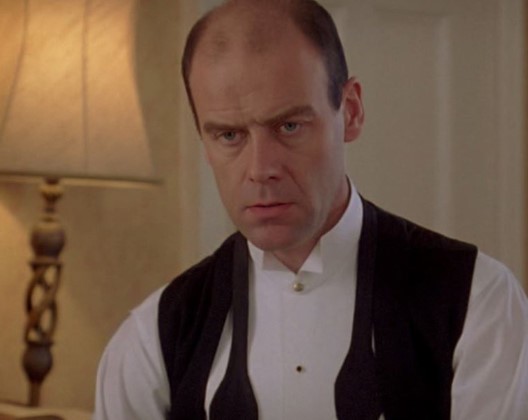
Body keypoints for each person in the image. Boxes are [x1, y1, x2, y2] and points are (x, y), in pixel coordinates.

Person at [94, 0, 528, 419]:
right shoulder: (151, 339)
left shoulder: (479, 303)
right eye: (229, 135)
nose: (260, 170)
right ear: (204, 142)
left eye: (289, 126)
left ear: (351, 112)